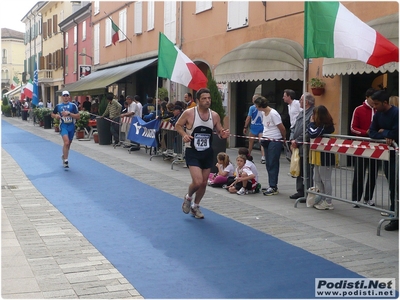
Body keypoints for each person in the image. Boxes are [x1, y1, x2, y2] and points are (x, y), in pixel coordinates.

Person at [175, 88, 230, 219]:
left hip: (207, 152)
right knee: (198, 181)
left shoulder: (214, 115)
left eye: (209, 98)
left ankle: (195, 206)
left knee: (204, 182)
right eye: (204, 98)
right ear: (198, 100)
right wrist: (184, 135)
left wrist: (224, 134)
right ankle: (188, 197)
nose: (207, 101)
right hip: (192, 151)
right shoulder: (189, 113)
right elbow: (178, 125)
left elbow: (220, 131)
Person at [369, 90, 399, 231]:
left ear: (385, 103)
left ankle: (395, 216)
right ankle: (395, 213)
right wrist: (384, 134)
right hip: (388, 156)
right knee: (393, 185)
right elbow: (372, 132)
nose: (374, 107)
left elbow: (396, 132)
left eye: (376, 104)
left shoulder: (396, 113)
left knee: (396, 186)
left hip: (396, 154)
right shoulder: (378, 114)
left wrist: (384, 132)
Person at [350, 88, 378, 207]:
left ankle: (368, 197)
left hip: (376, 146)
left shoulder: (378, 110)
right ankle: (356, 198)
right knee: (359, 172)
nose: (374, 102)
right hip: (362, 145)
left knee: (373, 173)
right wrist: (365, 133)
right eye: (372, 99)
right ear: (367, 97)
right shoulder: (359, 109)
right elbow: (353, 127)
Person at [254, 96, 286, 196]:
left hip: (274, 139)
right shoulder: (263, 113)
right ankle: (271, 184)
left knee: (273, 162)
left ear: (260, 106)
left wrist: (283, 138)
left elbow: (282, 128)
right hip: (266, 139)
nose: (255, 107)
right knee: (268, 163)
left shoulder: (273, 114)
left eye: (256, 106)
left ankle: (273, 186)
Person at [308, 105, 336, 210]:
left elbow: (313, 133)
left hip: (326, 155)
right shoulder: (317, 125)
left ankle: (328, 201)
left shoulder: (327, 126)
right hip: (317, 155)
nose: (312, 116)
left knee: (325, 179)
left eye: (314, 114)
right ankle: (323, 197)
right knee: (317, 178)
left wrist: (310, 123)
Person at [289, 92, 315, 199]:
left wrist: (298, 140)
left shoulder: (313, 113)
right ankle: (300, 191)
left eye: (301, 100)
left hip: (306, 147)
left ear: (307, 102)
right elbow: (293, 127)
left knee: (307, 170)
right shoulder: (301, 113)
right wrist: (291, 139)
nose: (299, 102)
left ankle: (308, 192)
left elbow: (309, 131)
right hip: (297, 146)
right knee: (299, 168)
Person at [51, 91, 80, 168]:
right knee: (66, 142)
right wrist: (56, 116)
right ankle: (66, 160)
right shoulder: (58, 106)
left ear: (69, 97)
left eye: (67, 95)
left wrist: (69, 114)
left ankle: (64, 156)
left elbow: (78, 116)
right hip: (63, 126)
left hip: (71, 126)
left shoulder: (73, 105)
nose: (65, 97)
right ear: (62, 97)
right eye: (64, 96)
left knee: (69, 143)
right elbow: (52, 114)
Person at [243, 94, 266, 163]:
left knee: (251, 143)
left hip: (253, 127)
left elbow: (248, 118)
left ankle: (248, 155)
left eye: (253, 99)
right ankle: (263, 157)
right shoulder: (263, 107)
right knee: (262, 142)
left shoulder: (252, 108)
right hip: (261, 127)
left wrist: (245, 127)